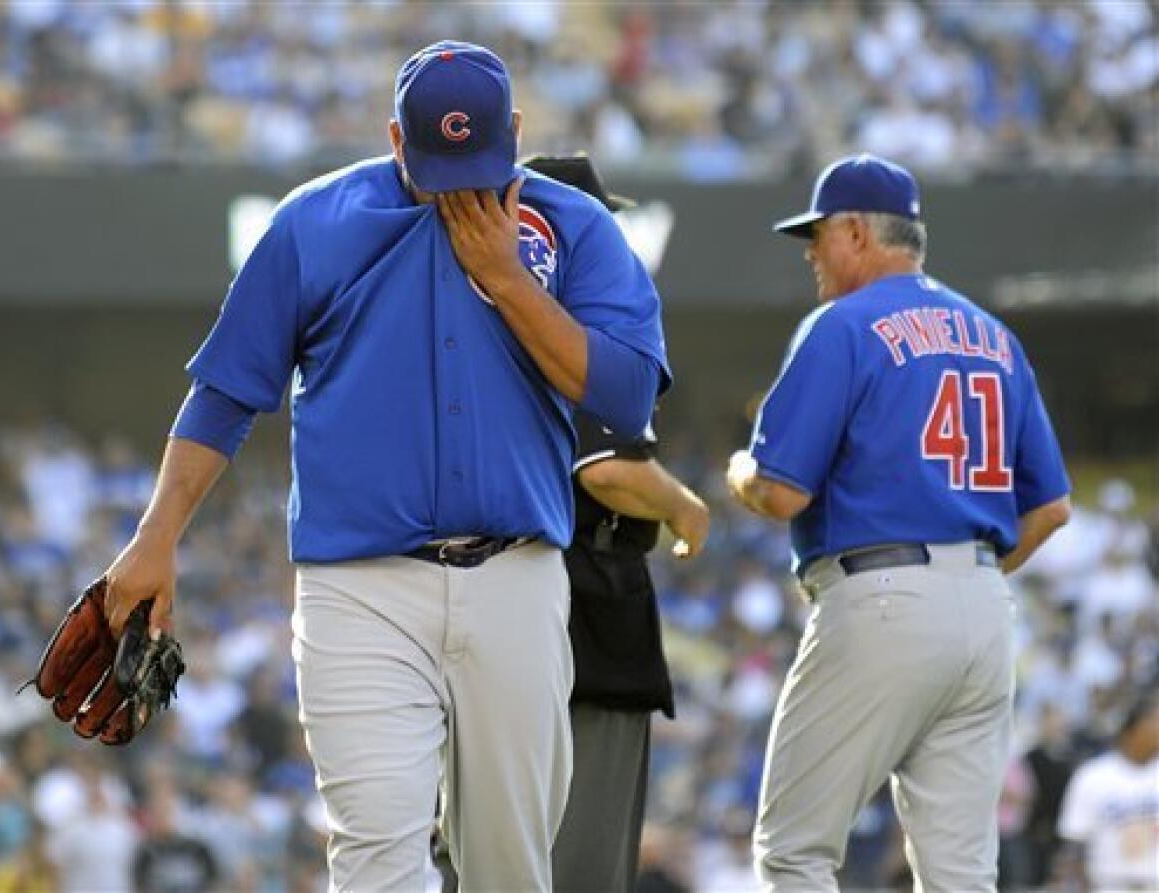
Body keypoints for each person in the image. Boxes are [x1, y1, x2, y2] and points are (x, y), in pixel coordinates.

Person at [97, 41, 670, 891]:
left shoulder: (575, 226)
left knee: (511, 866)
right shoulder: (313, 223)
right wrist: (156, 536)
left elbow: (627, 396)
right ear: (395, 142)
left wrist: (511, 283)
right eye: (438, 161)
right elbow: (224, 395)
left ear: (513, 133)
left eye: (481, 155)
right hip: (360, 587)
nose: (462, 184)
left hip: (517, 576)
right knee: (375, 855)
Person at [726, 154, 1072, 890]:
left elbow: (782, 492)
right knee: (960, 876)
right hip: (984, 607)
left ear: (855, 230)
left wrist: (738, 472)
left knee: (794, 850)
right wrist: (959, 577)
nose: (812, 253)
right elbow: (1050, 507)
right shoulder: (994, 335)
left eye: (817, 235)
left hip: (881, 595)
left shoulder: (842, 324)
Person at [525, 154, 710, 891]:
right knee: (582, 860)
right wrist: (682, 504)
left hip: (482, 596)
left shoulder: (471, 327)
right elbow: (604, 469)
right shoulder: (580, 333)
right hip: (582, 606)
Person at [1055, 693, 1159, 891]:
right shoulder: (1093, 775)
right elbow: (1075, 844)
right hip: (1109, 884)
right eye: (1154, 722)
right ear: (1131, 731)